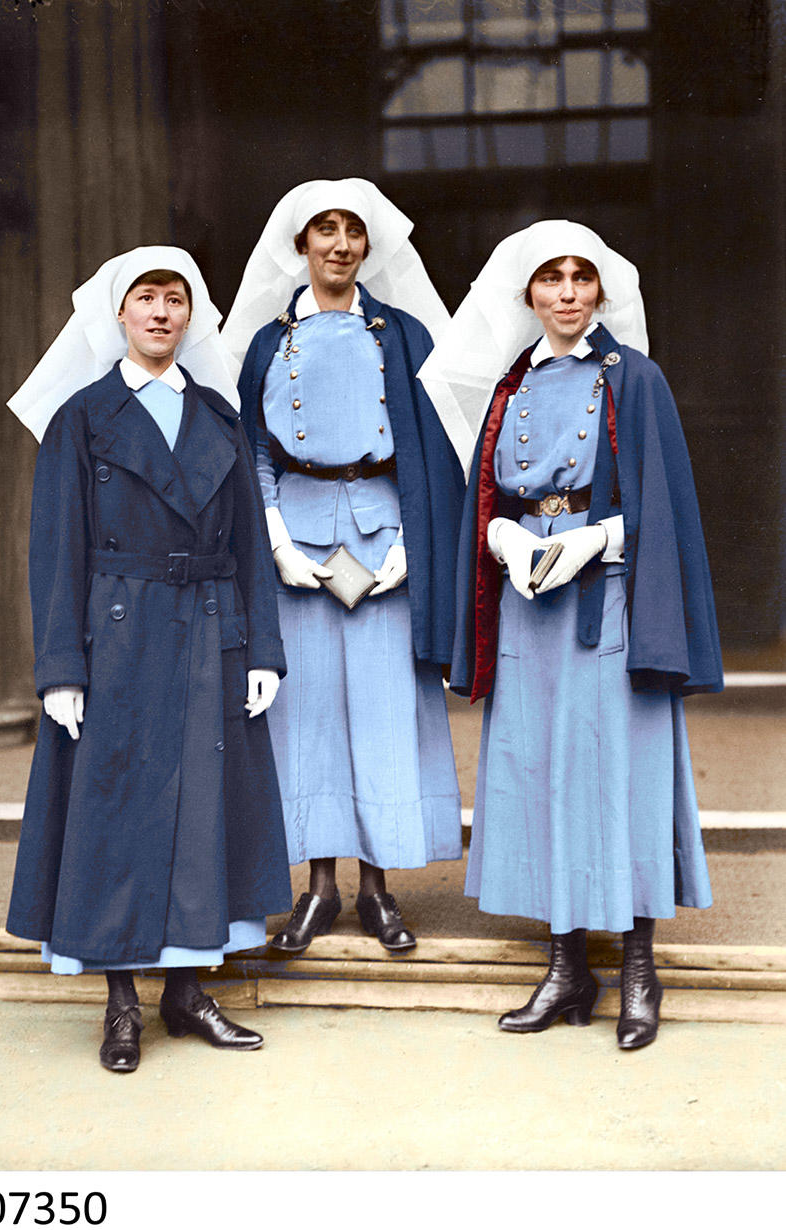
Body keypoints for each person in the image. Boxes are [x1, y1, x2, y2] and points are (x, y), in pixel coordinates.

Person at [420, 219, 722, 1049]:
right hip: (529, 606)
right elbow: (486, 502)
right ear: (527, 293)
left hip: (609, 602)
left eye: (579, 279)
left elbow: (661, 505)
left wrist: (597, 537)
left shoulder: (635, 380)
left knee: (618, 776)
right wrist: (507, 541)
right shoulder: (509, 387)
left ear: (601, 291)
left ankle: (637, 972)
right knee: (541, 772)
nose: (565, 294)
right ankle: (564, 969)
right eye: (549, 279)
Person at [6, 246, 293, 1073]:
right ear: (119, 316)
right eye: (146, 299)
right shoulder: (83, 418)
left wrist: (261, 649)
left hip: (210, 628)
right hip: (119, 637)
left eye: (177, 300)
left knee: (204, 809)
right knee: (121, 809)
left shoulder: (219, 416)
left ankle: (188, 990)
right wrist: (61, 664)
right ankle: (122, 1002)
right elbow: (55, 550)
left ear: (191, 316)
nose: (163, 313)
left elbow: (247, 548)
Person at [221, 179, 467, 955]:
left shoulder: (404, 333)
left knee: (387, 709)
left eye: (352, 231)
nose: (338, 244)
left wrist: (407, 547)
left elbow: (433, 451)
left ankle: (379, 888)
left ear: (369, 246)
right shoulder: (269, 340)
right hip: (298, 533)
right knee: (309, 713)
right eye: (322, 230)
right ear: (299, 246)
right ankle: (319, 888)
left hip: (381, 529)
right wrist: (276, 541)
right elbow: (252, 446)